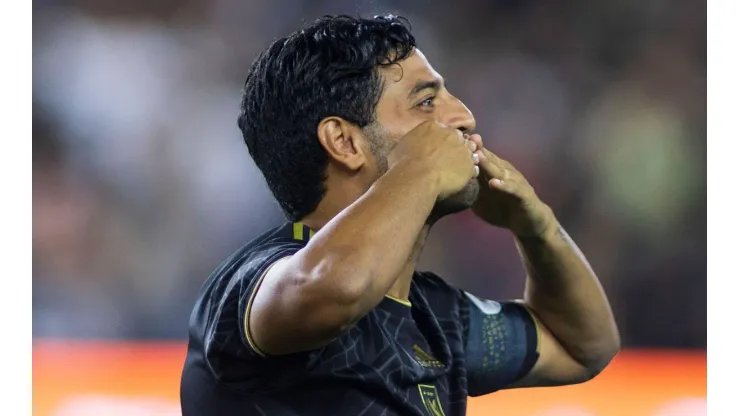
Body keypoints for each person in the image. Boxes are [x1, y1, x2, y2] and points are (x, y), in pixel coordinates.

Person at [180, 14, 620, 416]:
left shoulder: (436, 318)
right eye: (426, 103)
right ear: (344, 142)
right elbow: (337, 289)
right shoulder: (252, 283)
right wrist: (421, 168)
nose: (464, 117)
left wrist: (536, 226)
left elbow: (584, 347)